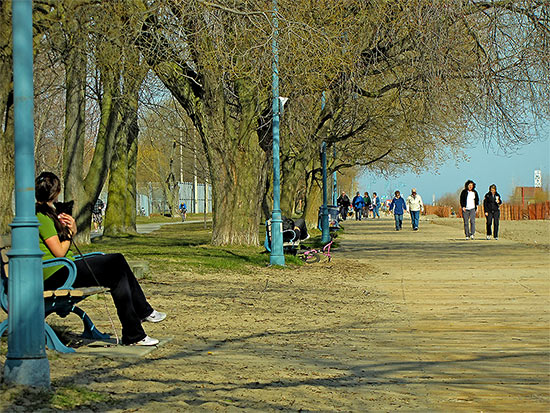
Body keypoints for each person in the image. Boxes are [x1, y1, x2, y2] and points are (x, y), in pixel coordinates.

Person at [35, 172, 166, 346]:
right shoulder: (41, 217)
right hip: (58, 272)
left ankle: (136, 330)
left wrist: (69, 229)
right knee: (116, 265)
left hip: (65, 268)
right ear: (54, 192)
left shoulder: (47, 213)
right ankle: (137, 325)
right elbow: (59, 252)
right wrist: (70, 232)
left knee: (117, 267)